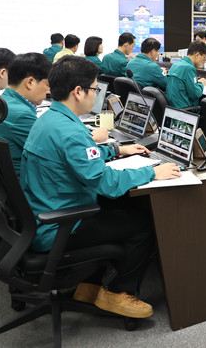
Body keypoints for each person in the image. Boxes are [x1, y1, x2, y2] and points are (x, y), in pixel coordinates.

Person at [20, 55, 181, 319]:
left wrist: (116, 150)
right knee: (143, 224)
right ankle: (117, 292)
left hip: (45, 212)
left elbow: (80, 157)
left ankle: (89, 286)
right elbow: (107, 183)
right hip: (60, 225)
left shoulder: (51, 119)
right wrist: (152, 172)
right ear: (78, 91)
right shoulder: (71, 132)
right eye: (94, 89)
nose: (96, 95)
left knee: (122, 207)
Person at [0, 53, 52, 174]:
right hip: (26, 178)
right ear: (30, 82)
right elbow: (50, 155)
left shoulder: (4, 100)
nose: (48, 91)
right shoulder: (22, 116)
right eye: (47, 85)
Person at [167, 40, 206, 109]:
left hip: (173, 108)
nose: (203, 61)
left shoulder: (176, 64)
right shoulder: (188, 68)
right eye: (204, 58)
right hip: (185, 110)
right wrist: (201, 84)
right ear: (197, 55)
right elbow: (196, 94)